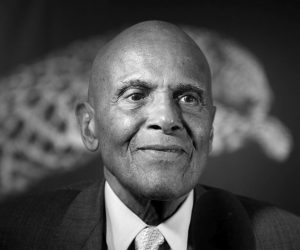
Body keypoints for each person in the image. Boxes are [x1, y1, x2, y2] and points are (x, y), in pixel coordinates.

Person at [1, 20, 300, 250]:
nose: (166, 120)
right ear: (88, 126)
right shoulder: (18, 234)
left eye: (189, 99)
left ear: (210, 127)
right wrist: (253, 128)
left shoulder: (285, 238)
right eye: (135, 95)